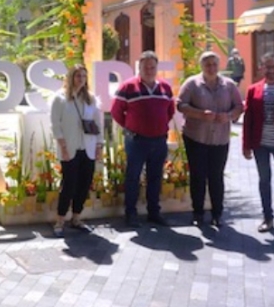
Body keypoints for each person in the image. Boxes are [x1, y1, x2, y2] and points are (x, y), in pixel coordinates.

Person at [177, 51, 243, 228]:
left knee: (216, 177)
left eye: (214, 64)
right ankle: (197, 212)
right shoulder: (192, 84)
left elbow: (239, 106)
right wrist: (199, 114)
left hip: (220, 139)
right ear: (202, 66)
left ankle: (217, 214)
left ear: (219, 65)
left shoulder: (229, 85)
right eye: (207, 64)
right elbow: (180, 104)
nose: (211, 68)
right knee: (197, 176)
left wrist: (228, 116)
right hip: (195, 137)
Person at [111, 51, 175, 228]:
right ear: (138, 68)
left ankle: (153, 212)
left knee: (155, 178)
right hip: (137, 141)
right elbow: (116, 112)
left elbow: (170, 111)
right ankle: (130, 214)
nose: (149, 70)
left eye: (152, 67)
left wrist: (158, 125)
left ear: (156, 68)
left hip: (159, 141)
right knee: (133, 177)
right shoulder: (128, 87)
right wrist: (131, 127)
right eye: (145, 67)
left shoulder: (165, 87)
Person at [50, 64, 104, 237]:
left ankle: (76, 217)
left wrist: (99, 145)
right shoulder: (59, 99)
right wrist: (63, 147)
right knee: (69, 185)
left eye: (83, 76)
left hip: (87, 147)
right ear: (71, 77)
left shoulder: (91, 99)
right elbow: (55, 125)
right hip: (70, 148)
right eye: (77, 76)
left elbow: (98, 124)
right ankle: (60, 220)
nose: (81, 79)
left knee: (84, 184)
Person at [243, 52, 274, 232]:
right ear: (261, 68)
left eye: (273, 67)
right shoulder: (254, 89)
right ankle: (267, 217)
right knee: (264, 180)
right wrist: (246, 145)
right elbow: (248, 120)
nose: (271, 71)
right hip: (260, 143)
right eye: (267, 67)